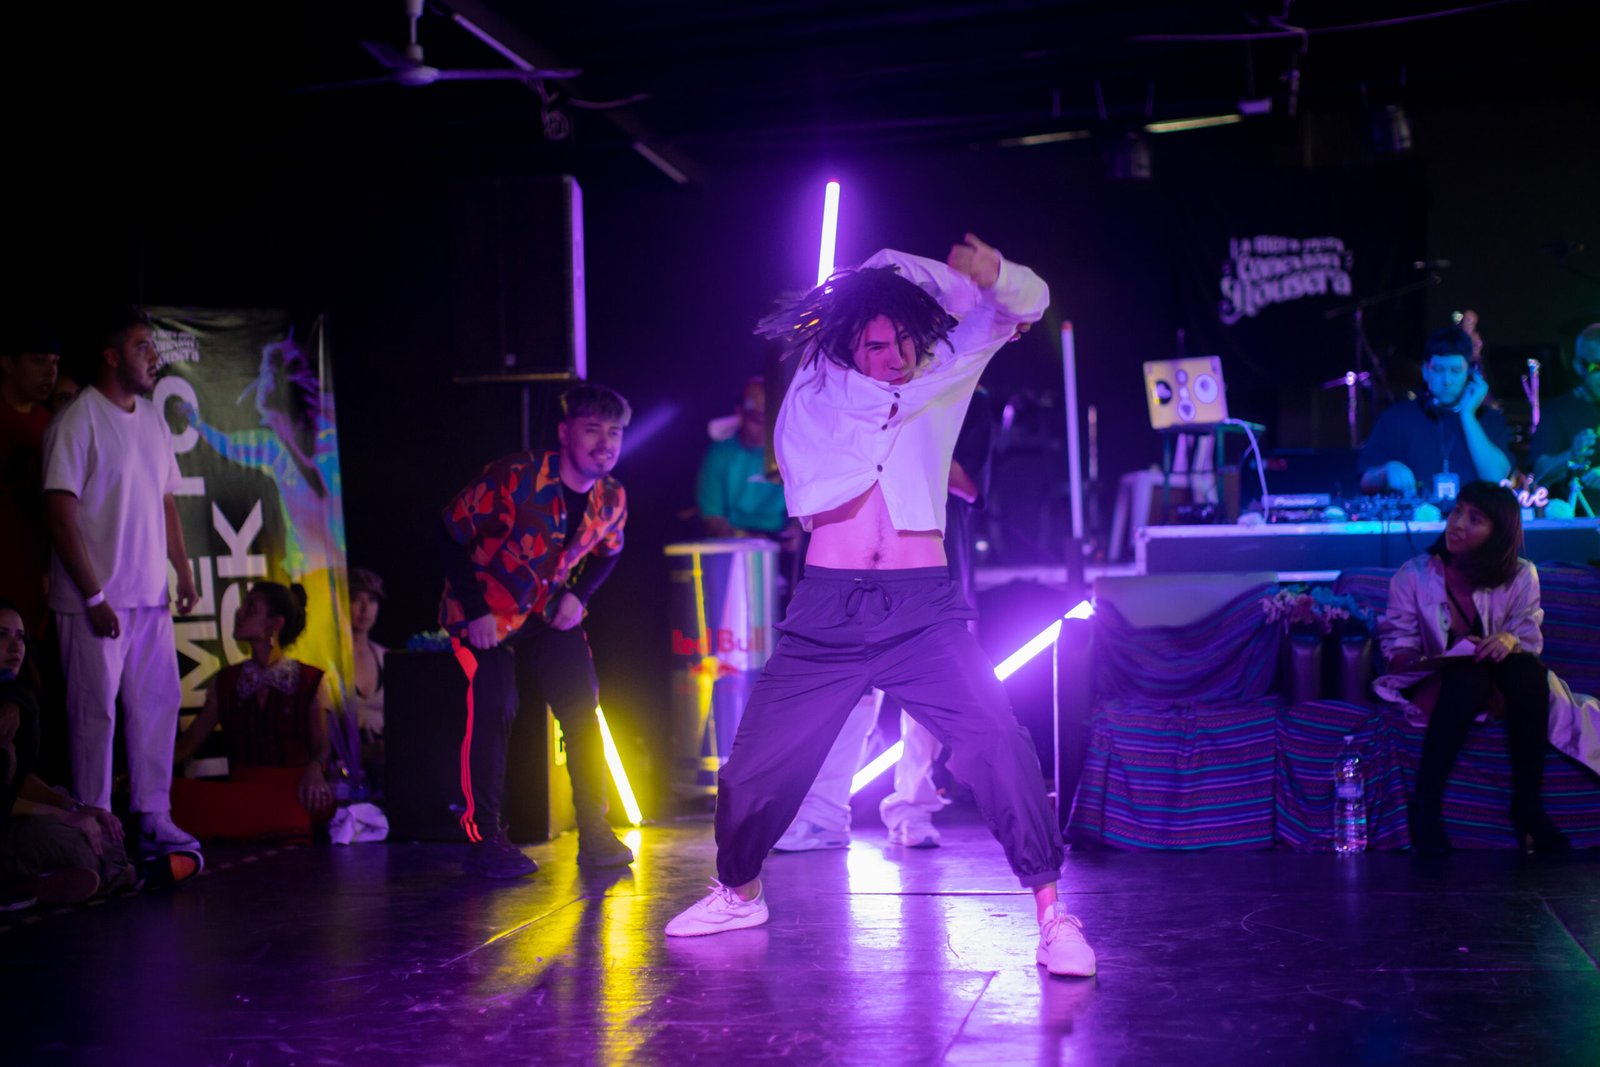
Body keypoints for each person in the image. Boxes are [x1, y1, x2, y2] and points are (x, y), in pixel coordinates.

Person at [665, 234, 1096, 979]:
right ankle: (739, 893)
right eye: (876, 344)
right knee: (752, 772)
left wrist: (992, 276)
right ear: (846, 344)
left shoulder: (945, 367)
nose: (895, 357)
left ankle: (1053, 915)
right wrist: (867, 291)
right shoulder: (815, 389)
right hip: (827, 614)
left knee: (999, 743)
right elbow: (850, 304)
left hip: (922, 613)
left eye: (904, 340)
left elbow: (1027, 301)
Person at [772, 387, 996, 852]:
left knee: (927, 696)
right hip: (853, 562)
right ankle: (824, 815)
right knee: (847, 689)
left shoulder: (966, 394)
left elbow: (971, 485)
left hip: (930, 565)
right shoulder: (850, 390)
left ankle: (912, 809)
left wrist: (901, 436)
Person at [438, 383, 635, 878]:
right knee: (495, 704)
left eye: (614, 433)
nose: (605, 443)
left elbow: (610, 552)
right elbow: (449, 530)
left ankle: (595, 833)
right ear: (566, 433)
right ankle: (484, 838)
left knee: (583, 708)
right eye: (593, 430)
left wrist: (579, 596)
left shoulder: (611, 497)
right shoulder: (517, 477)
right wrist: (476, 609)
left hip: (547, 611)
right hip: (486, 613)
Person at [42, 307, 201, 857]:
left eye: (151, 346)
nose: (153, 357)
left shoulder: (153, 418)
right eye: (141, 347)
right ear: (111, 357)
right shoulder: (78, 420)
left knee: (158, 702)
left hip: (149, 596)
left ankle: (153, 815)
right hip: (96, 601)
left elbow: (165, 501)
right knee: (95, 714)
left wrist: (183, 570)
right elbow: (59, 512)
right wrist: (93, 594)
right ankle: (97, 826)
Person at [1373, 481, 1573, 856]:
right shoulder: (1414, 574)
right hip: (1438, 683)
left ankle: (1528, 809)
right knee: (1469, 674)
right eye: (1457, 511)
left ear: (1498, 533)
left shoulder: (1521, 574)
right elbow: (1397, 649)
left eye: (1475, 519)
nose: (1458, 523)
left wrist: (1508, 640)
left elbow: (1529, 639)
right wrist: (1429, 657)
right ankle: (1426, 809)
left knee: (1528, 672)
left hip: (1502, 685)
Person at [2, 598, 199, 907]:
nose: (15, 646)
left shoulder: (18, 697)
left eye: (20, 637)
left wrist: (75, 807)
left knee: (101, 831)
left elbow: (18, 780)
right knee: (55, 834)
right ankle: (128, 876)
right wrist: (65, 816)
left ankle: (37, 881)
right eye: (2, 635)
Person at [171, 582, 336, 841]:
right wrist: (145, 772)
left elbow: (322, 746)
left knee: (314, 800)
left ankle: (271, 821)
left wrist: (315, 769)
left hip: (294, 789)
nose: (239, 613)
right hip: (243, 790)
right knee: (173, 796)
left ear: (275, 624)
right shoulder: (227, 681)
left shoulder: (309, 679)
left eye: (250, 608)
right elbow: (189, 743)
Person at [1358, 325, 1512, 497]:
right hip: (1417, 514)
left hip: (1472, 513)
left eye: (1455, 371)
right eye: (1439, 370)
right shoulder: (1396, 417)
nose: (1447, 380)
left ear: (1470, 374)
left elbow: (1496, 477)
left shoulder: (1489, 419)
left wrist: (1467, 415)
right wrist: (1385, 471)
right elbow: (1365, 482)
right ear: (1426, 371)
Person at [0, 325, 61, 642]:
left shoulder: (55, 427)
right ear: (8, 363)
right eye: (38, 361)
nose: (50, 372)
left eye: (55, 362)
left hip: (35, 583)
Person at [697, 377, 792, 539]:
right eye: (756, 420)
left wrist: (795, 533)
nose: (762, 428)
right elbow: (712, 516)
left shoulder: (790, 453)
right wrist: (750, 540)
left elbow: (806, 506)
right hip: (735, 541)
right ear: (740, 413)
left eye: (768, 420)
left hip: (781, 541)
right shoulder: (720, 453)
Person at [1527, 323, 1600, 502]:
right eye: (1597, 367)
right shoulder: (1558, 410)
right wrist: (1572, 454)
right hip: (1577, 517)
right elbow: (1541, 474)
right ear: (1578, 366)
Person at [349, 567, 388, 789]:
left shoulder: (385, 657)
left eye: (371, 600)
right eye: (356, 599)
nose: (365, 609)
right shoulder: (331, 661)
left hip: (384, 769)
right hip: (343, 768)